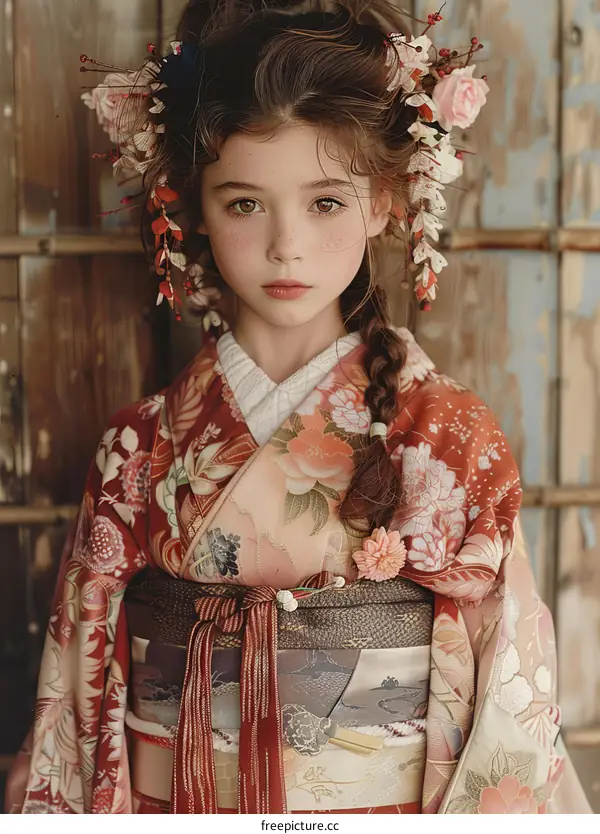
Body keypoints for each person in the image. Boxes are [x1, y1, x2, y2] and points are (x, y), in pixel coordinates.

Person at [6, 0, 591, 814]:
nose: (287, 245)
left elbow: (506, 694)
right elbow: (77, 704)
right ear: (195, 208)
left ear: (385, 201)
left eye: (325, 202)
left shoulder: (446, 438)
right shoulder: (139, 446)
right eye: (245, 203)